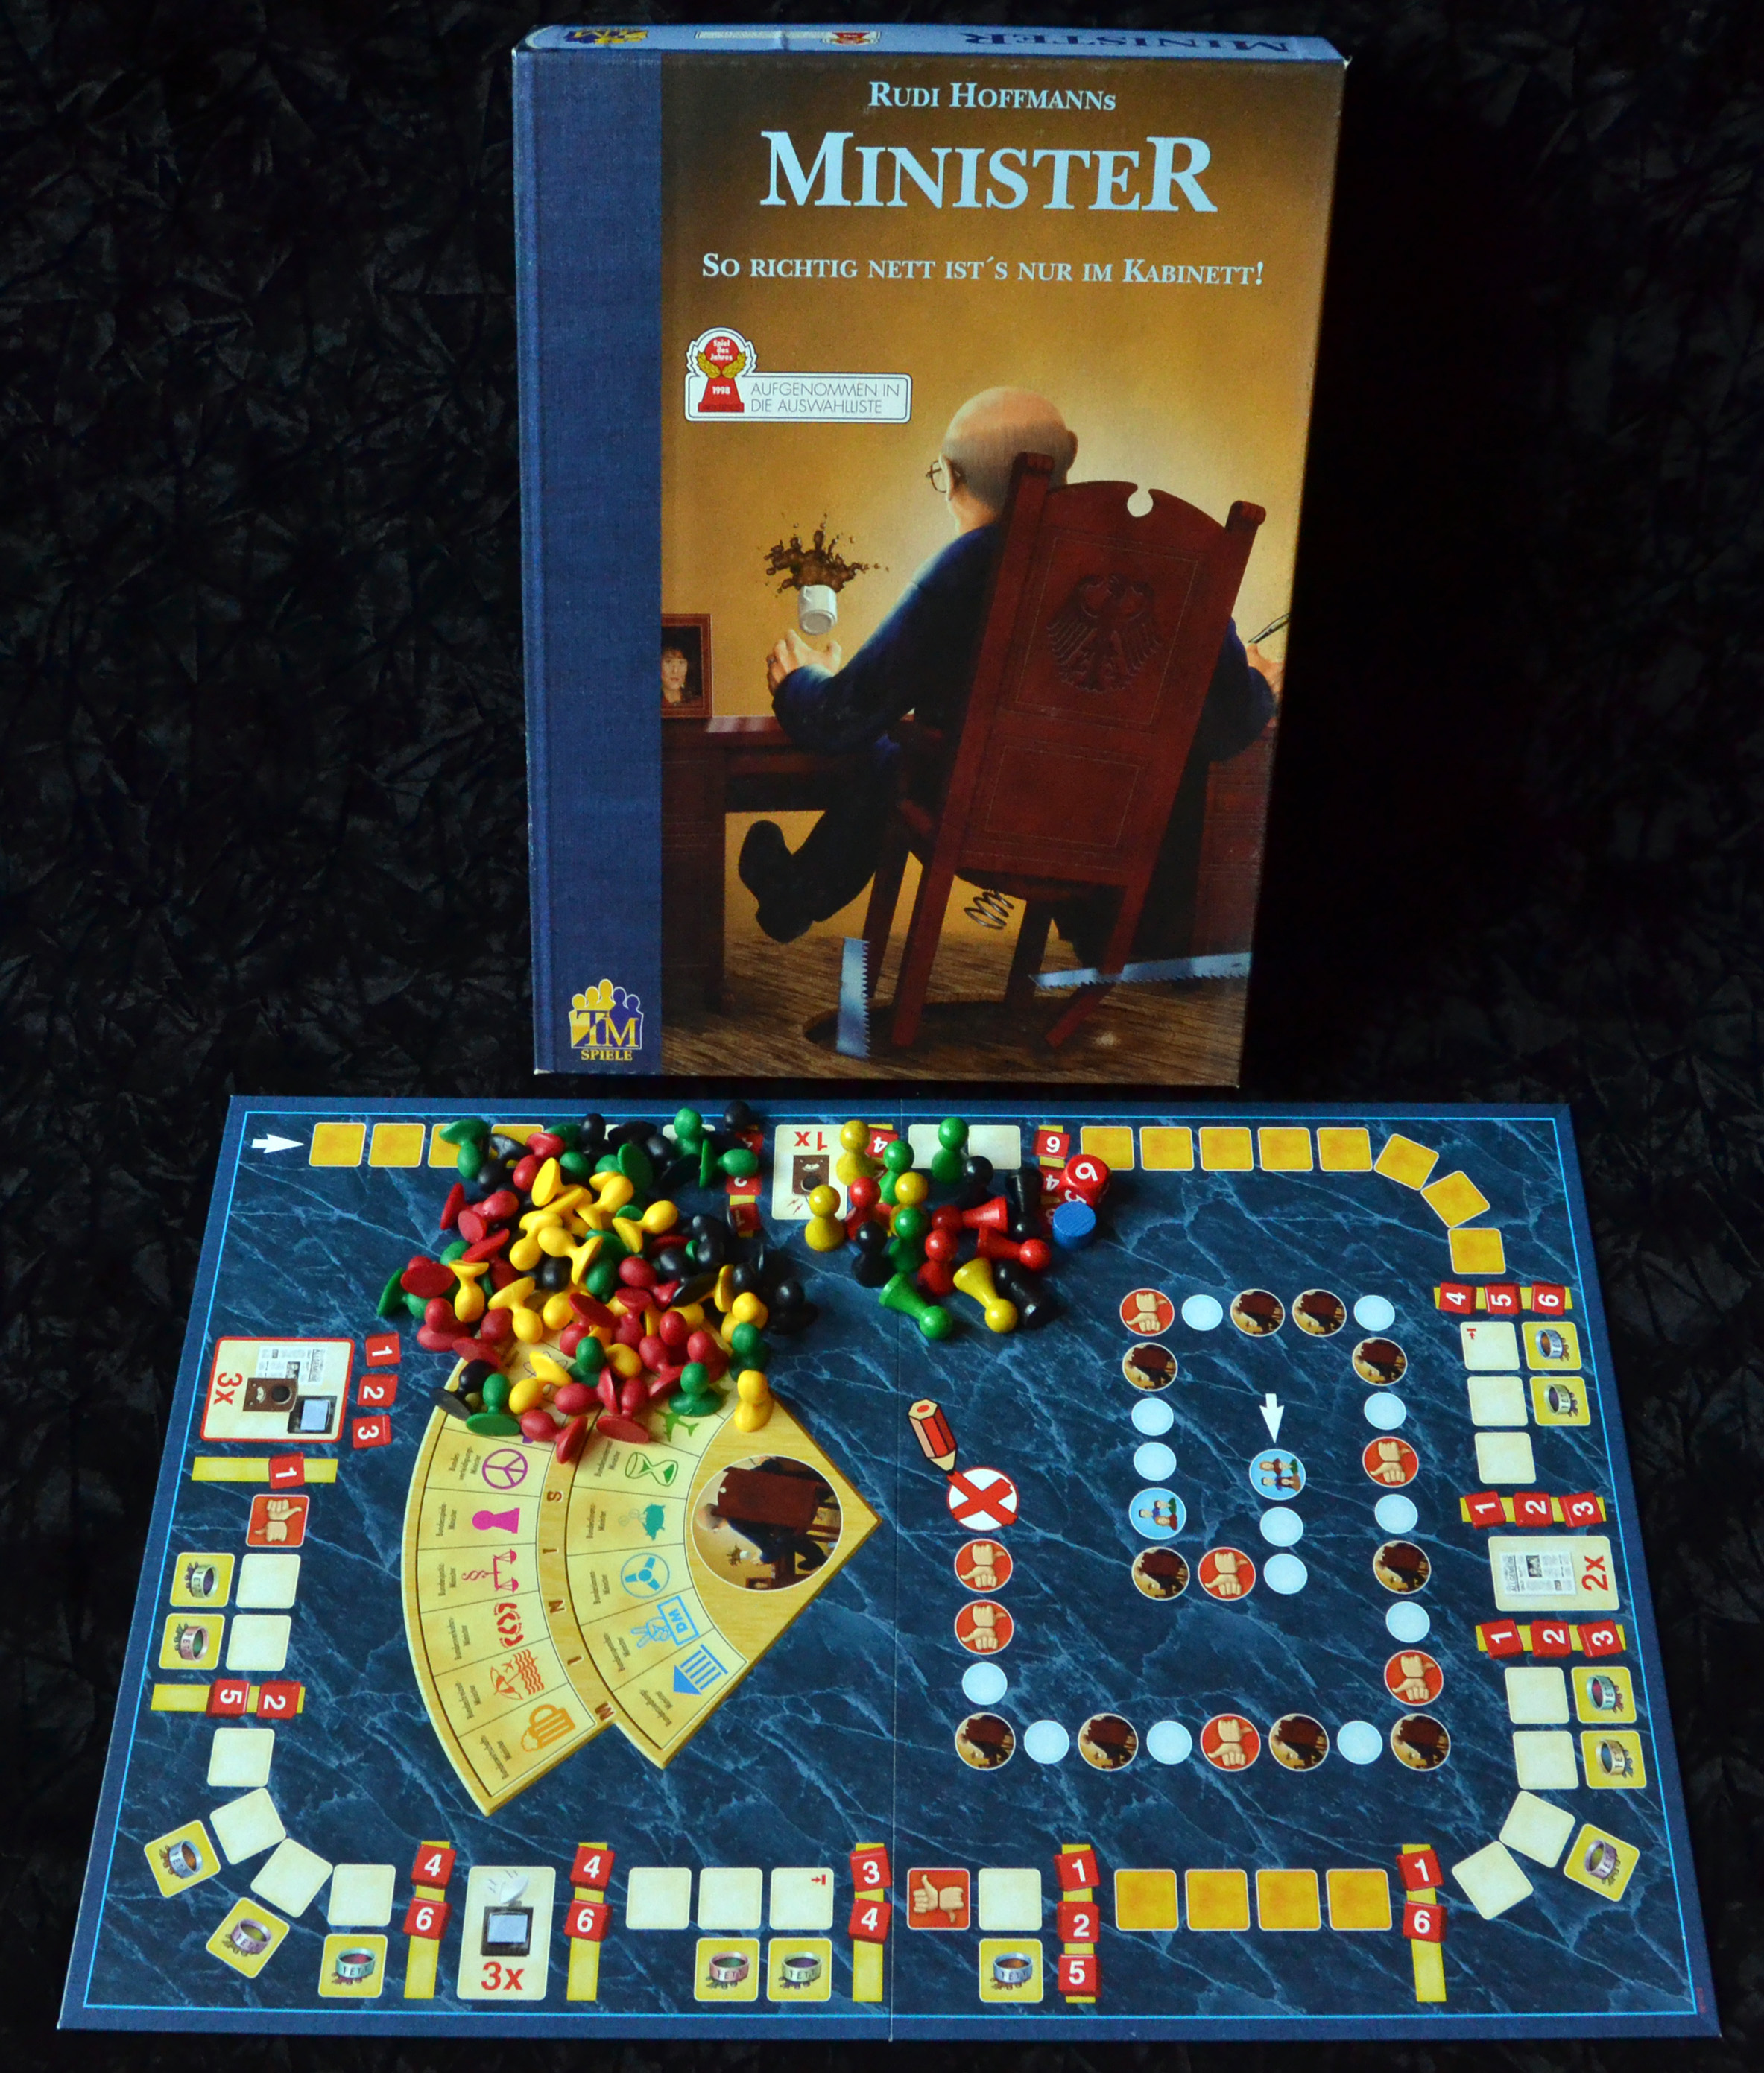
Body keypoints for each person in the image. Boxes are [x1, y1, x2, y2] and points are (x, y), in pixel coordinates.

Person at [738, 385, 1280, 953]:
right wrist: (1256, 681)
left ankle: (796, 895)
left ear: (950, 476)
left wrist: (800, 678)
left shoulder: (970, 562)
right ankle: (795, 896)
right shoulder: (1178, 568)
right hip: (1110, 834)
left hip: (986, 822)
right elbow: (1229, 727)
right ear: (1070, 453)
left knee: (891, 752)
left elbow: (838, 722)